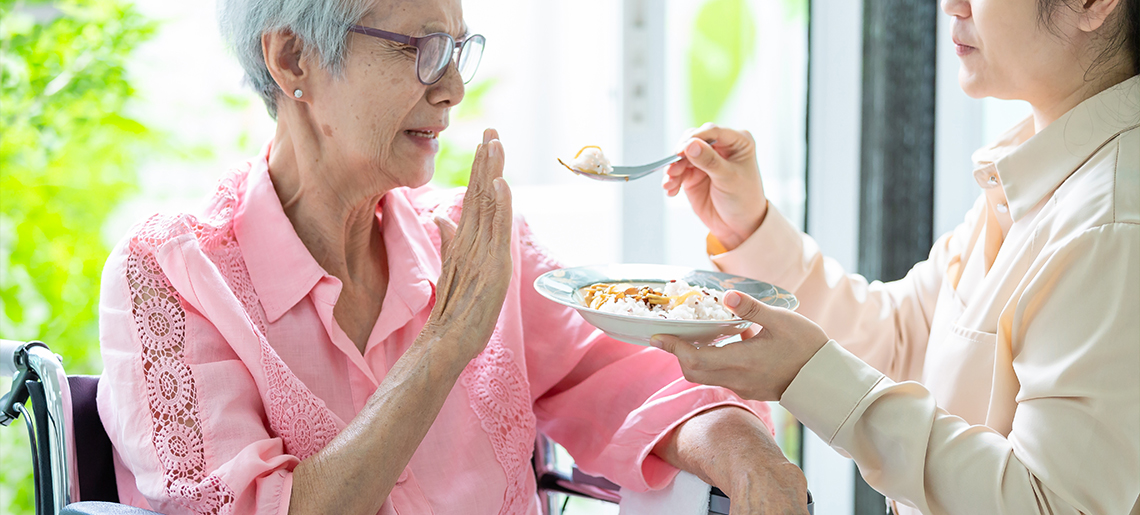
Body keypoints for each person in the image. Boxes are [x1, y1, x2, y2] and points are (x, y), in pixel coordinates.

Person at [94, 0, 815, 514]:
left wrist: (749, 452)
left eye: (460, 49)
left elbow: (631, 374)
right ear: (292, 59)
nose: (453, 87)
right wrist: (443, 349)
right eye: (420, 48)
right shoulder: (170, 277)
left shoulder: (468, 239)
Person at [651, 0, 1139, 512]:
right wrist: (749, 228)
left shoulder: (1112, 223)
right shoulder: (1037, 171)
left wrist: (809, 375)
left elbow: (1051, 503)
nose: (951, 5)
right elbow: (899, 337)